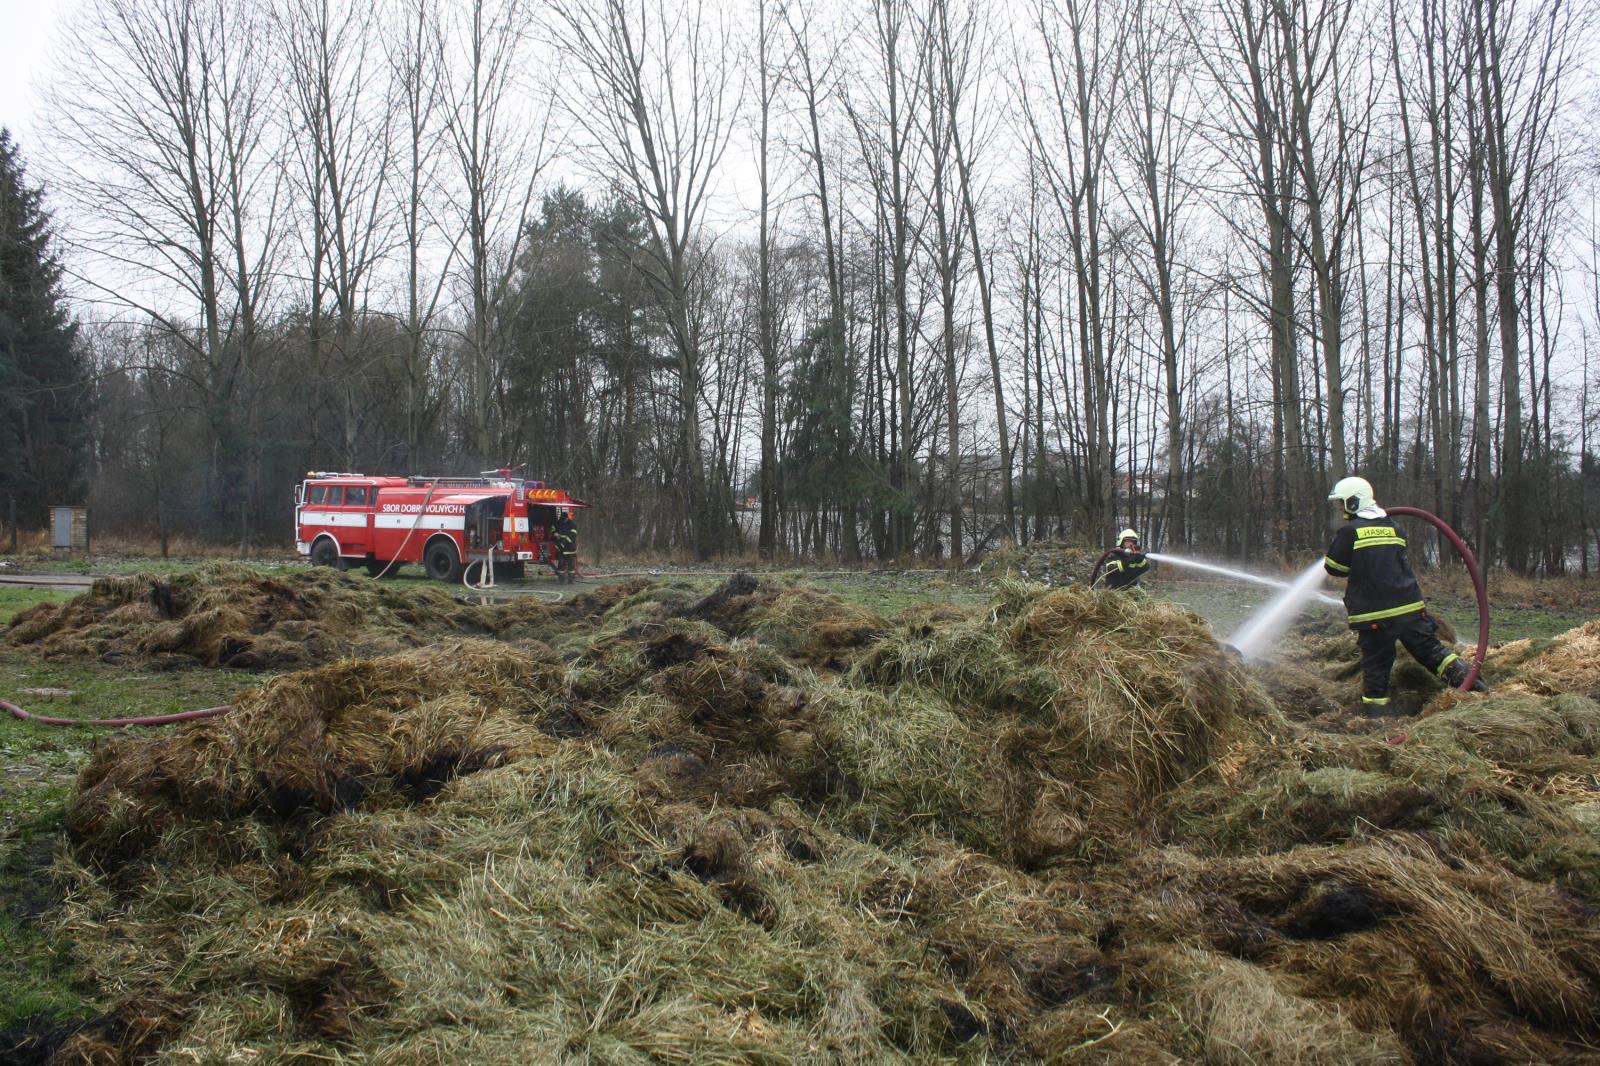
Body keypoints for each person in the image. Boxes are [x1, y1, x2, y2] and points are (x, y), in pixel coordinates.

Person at [1323, 476, 1483, 714]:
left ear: (1354, 502)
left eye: (1341, 503)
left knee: (1377, 666)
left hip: (1375, 615)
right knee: (1432, 652)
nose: (1339, 508)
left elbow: (1335, 568)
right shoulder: (1394, 527)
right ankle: (1476, 688)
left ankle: (1376, 719)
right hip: (1409, 609)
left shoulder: (1350, 532)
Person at [552, 509, 578, 585]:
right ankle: (561, 581)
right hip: (561, 549)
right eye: (561, 519)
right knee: (561, 565)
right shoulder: (558, 523)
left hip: (570, 548)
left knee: (571, 565)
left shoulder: (572, 525)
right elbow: (552, 529)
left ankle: (571, 580)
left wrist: (563, 541)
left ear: (567, 518)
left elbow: (572, 537)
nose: (562, 521)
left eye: (564, 519)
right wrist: (554, 533)